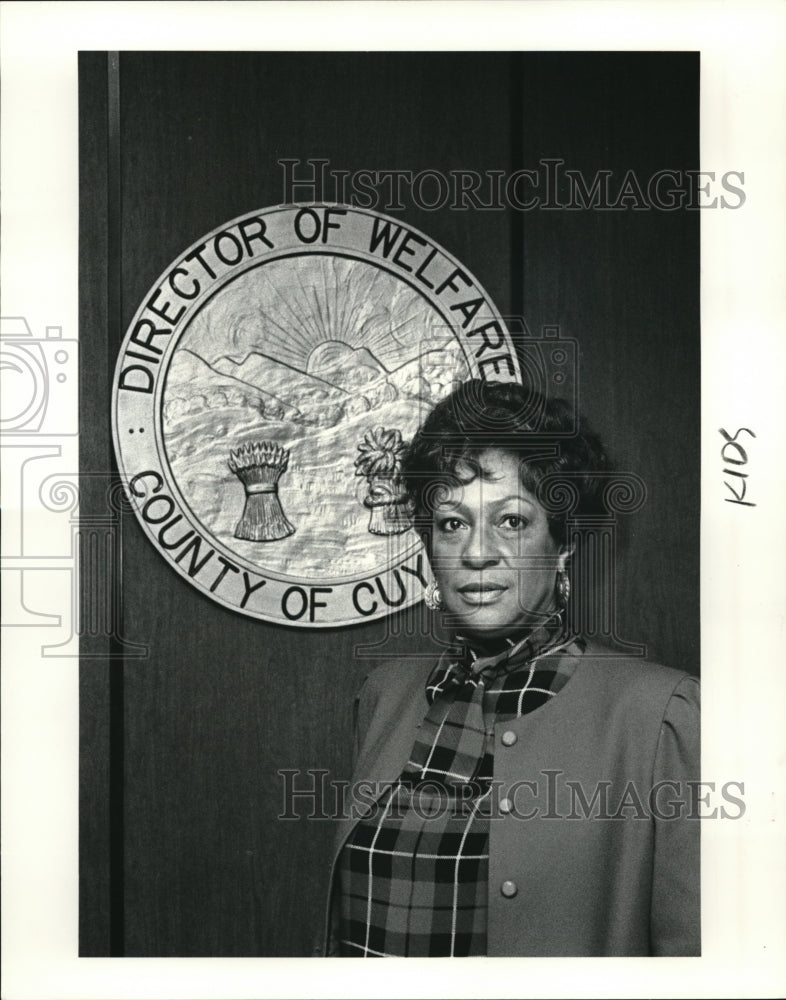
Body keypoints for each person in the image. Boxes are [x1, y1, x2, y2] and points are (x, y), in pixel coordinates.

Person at [321, 379, 700, 957]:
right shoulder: (384, 693)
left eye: (512, 522)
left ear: (562, 542)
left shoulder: (659, 715)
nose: (477, 552)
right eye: (452, 523)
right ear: (429, 548)